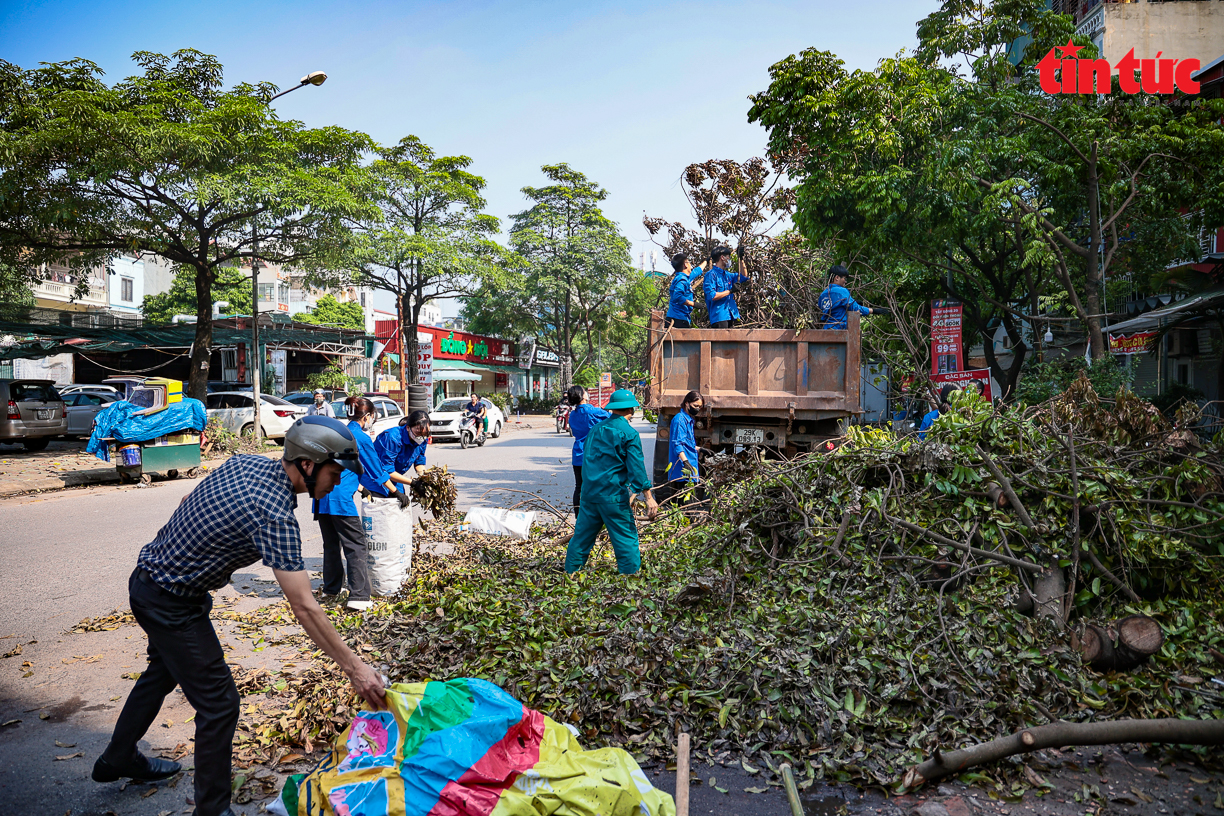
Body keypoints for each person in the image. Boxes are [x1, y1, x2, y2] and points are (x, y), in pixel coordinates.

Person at [92, 417, 386, 816]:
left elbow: (187, 503)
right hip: (169, 600)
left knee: (162, 673)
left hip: (154, 580)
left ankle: (117, 757)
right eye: (335, 473)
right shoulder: (274, 514)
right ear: (308, 464)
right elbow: (303, 604)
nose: (337, 483)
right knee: (220, 704)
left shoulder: (247, 462)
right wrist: (355, 668)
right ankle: (212, 810)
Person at [314, 397, 410, 612]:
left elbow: (337, 466)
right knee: (356, 546)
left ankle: (331, 590)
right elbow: (377, 471)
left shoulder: (336, 432)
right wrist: (395, 493)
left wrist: (359, 488)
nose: (371, 421)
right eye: (372, 417)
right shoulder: (360, 437)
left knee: (331, 546)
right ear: (366, 416)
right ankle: (359, 598)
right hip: (339, 501)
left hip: (321, 497)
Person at [565, 389, 658, 575]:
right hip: (613, 497)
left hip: (589, 494)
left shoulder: (595, 430)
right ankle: (629, 579)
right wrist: (648, 497)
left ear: (613, 409)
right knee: (625, 537)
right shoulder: (629, 434)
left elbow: (587, 462)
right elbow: (637, 470)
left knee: (581, 538)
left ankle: (570, 574)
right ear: (631, 410)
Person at [564, 384, 612, 512]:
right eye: (585, 391)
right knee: (596, 485)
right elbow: (611, 418)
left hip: (578, 454)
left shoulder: (572, 415)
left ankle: (578, 516)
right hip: (593, 454)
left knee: (579, 486)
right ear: (582, 395)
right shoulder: (594, 411)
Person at [662, 390, 705, 506]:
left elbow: (687, 444)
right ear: (687, 403)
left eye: (699, 407)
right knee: (684, 505)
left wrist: (700, 449)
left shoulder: (688, 420)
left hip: (690, 470)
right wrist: (685, 462)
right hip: (683, 472)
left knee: (690, 504)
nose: (697, 409)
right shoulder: (679, 420)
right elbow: (677, 444)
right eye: (695, 406)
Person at [373, 409, 430, 494]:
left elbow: (419, 462)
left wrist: (425, 479)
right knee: (385, 502)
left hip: (395, 476)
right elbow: (387, 470)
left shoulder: (423, 439)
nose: (421, 437)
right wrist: (413, 483)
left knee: (401, 503)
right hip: (378, 477)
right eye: (418, 433)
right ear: (408, 428)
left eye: (425, 434)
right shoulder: (393, 438)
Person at [818, 265, 879, 329]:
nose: (845, 281)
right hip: (839, 331)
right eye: (844, 278)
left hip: (826, 330)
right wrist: (873, 310)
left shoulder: (823, 294)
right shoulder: (841, 291)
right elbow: (855, 308)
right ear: (837, 277)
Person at [703, 245, 750, 329]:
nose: (729, 260)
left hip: (731, 314)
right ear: (722, 258)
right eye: (728, 257)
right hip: (719, 316)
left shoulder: (728, 275)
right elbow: (712, 295)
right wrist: (730, 291)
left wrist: (741, 259)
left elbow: (744, 276)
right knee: (722, 342)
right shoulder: (711, 275)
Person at [664, 252, 705, 330]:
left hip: (679, 318)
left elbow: (696, 272)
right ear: (685, 265)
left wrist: (707, 260)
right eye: (689, 262)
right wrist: (693, 304)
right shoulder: (682, 280)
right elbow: (678, 296)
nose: (690, 265)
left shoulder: (685, 278)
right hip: (677, 319)